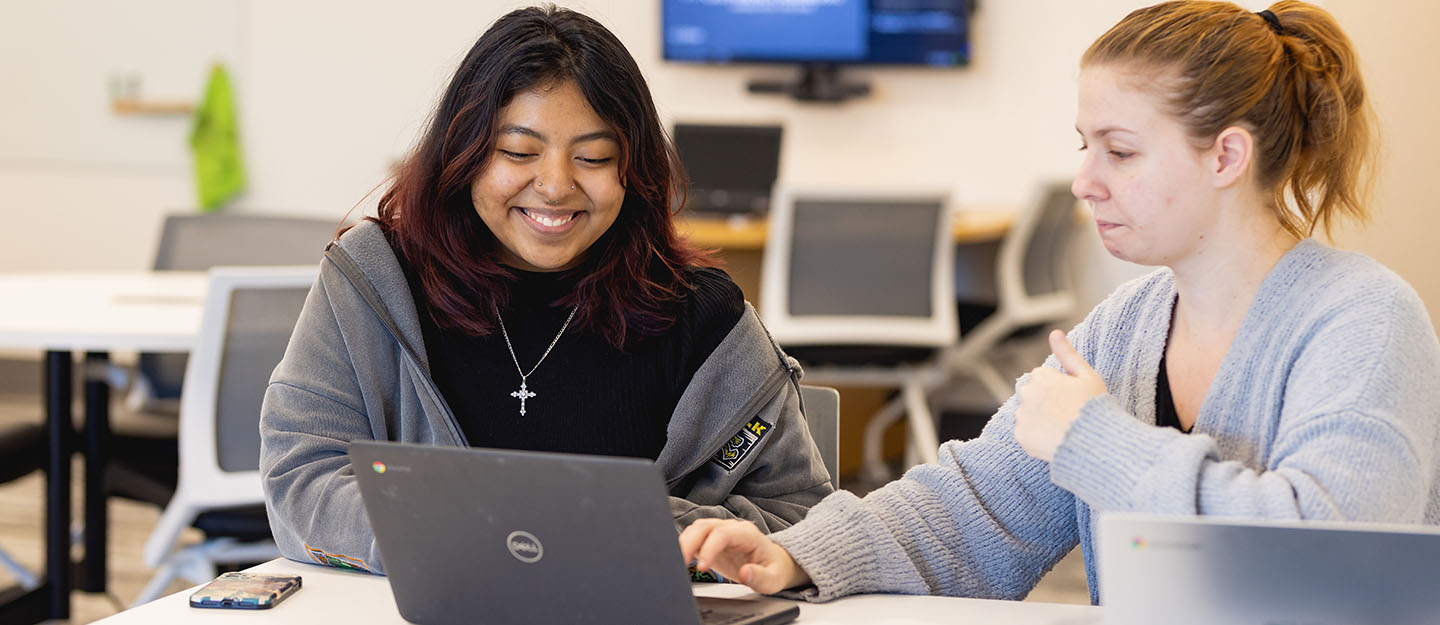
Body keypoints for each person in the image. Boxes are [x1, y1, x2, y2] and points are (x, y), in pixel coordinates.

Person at [680, 0, 1440, 605]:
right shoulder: (1126, 326)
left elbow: (1335, 565)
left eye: (1120, 150)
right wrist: (799, 550)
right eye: (1086, 147)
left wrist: (1092, 440)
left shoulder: (1367, 320)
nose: (1085, 180)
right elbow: (975, 510)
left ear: (1227, 156)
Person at [259, 6, 833, 574]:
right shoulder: (377, 281)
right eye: (518, 152)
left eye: (593, 157)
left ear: (633, 169)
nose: (556, 186)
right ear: (464, 153)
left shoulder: (706, 319)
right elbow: (302, 477)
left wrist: (625, 531)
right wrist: (466, 541)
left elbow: (801, 516)